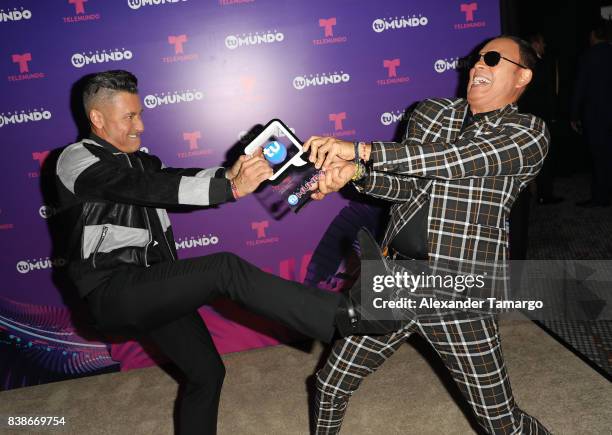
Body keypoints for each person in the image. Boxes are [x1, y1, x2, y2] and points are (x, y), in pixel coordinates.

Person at [55, 70, 389, 435]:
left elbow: (179, 179)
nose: (140, 125)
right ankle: (344, 317)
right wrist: (230, 189)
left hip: (153, 288)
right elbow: (143, 187)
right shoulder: (75, 160)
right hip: (111, 293)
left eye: (140, 114)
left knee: (207, 373)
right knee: (224, 268)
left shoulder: (142, 162)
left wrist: (236, 175)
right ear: (97, 119)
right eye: (129, 117)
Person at [303, 36, 551, 434]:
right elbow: (409, 187)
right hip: (396, 278)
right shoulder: (431, 113)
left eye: (491, 59)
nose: (477, 66)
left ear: (522, 75)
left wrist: (362, 151)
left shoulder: (528, 133)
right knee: (330, 385)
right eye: (475, 59)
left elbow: (456, 161)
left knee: (500, 422)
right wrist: (357, 175)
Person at [571, 20, 612, 207]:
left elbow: (580, 88)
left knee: (598, 158)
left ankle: (600, 197)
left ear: (594, 35)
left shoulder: (588, 56)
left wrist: (574, 115)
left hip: (595, 116)